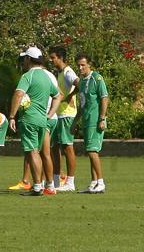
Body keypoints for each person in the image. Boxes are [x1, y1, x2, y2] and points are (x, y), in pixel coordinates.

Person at [8, 46, 61, 197]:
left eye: (24, 59)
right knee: (41, 152)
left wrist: (12, 116)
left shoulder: (28, 76)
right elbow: (58, 96)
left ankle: (37, 186)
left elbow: (18, 95)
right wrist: (50, 114)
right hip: (42, 120)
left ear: (28, 59)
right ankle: (45, 185)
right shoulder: (45, 76)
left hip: (29, 119)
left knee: (32, 152)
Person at [75, 53, 109, 194]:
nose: (81, 68)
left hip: (95, 121)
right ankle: (93, 183)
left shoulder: (97, 78)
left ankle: (101, 182)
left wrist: (102, 118)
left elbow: (104, 98)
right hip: (86, 121)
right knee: (90, 151)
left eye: (83, 65)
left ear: (89, 64)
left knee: (92, 151)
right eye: (79, 65)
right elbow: (82, 104)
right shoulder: (82, 82)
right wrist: (75, 121)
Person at [49, 46, 80, 192]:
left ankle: (70, 182)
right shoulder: (60, 73)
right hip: (58, 114)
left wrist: (69, 96)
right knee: (54, 147)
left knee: (68, 147)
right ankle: (55, 181)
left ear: (61, 58)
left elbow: (80, 84)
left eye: (53, 57)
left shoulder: (68, 72)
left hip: (67, 114)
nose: (51, 60)